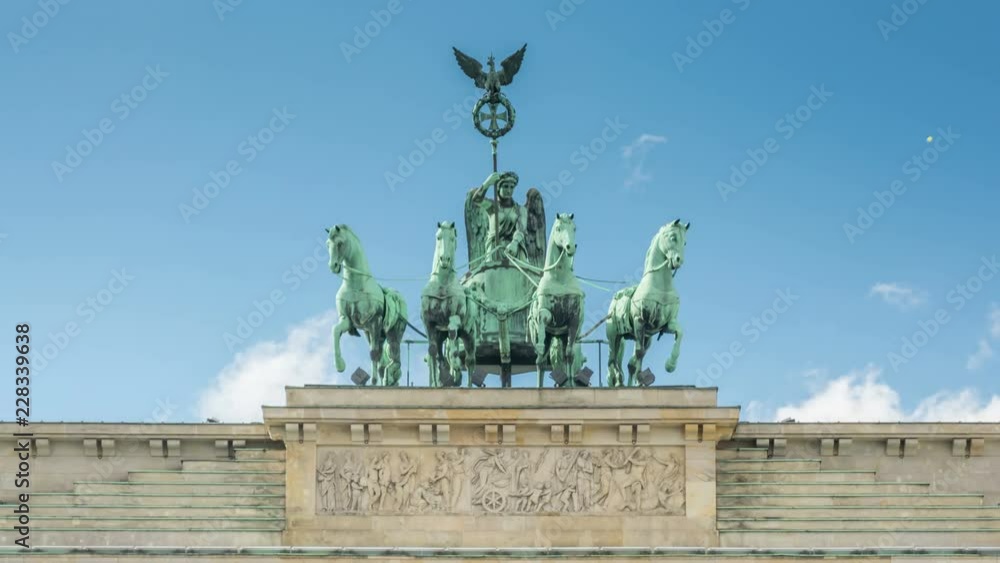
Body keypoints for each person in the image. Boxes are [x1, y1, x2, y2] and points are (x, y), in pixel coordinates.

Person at [470, 171, 530, 261]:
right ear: (498, 188)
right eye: (505, 186)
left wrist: (515, 243)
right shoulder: (492, 206)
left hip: (514, 251)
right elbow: (476, 200)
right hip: (494, 250)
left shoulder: (520, 209)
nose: (509, 190)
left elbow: (521, 228)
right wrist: (487, 183)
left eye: (512, 187)